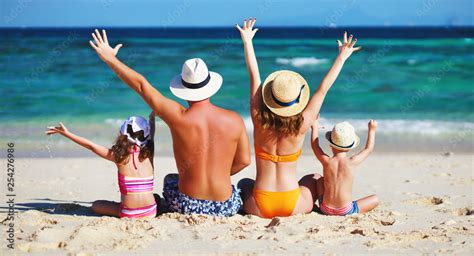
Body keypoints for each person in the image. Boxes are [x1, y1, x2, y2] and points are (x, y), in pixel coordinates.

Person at [89, 29, 250, 217]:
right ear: (210, 86)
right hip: (224, 207)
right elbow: (244, 161)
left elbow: (141, 85)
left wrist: (110, 59)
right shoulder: (234, 120)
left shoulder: (177, 116)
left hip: (187, 206)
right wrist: (219, 175)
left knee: (170, 180)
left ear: (183, 88)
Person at [236, 18, 362, 218]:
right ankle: (330, 208)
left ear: (270, 98)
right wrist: (342, 58)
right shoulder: (303, 124)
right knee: (313, 178)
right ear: (297, 100)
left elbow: (255, 77)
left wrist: (248, 42)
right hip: (292, 204)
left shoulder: (258, 118)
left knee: (244, 183)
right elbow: (322, 90)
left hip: (259, 206)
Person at [45, 113, 158, 218]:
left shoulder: (118, 156)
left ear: (123, 133)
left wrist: (67, 133)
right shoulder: (149, 153)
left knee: (96, 205)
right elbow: (152, 134)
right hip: (151, 211)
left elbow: (91, 146)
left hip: (129, 213)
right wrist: (152, 118)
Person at [310, 119, 380, 215]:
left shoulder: (326, 161)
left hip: (325, 208)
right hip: (345, 210)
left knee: (319, 180)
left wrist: (314, 128)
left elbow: (315, 146)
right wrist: (372, 130)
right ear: (350, 147)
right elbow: (368, 149)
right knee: (375, 199)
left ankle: (321, 206)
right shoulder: (352, 162)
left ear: (331, 144)